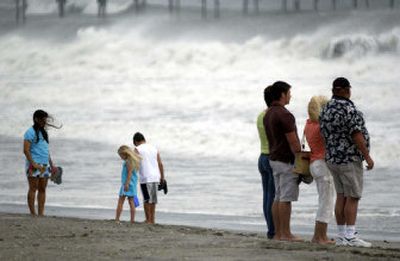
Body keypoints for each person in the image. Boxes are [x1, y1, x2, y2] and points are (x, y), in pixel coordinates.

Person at [320, 77, 374, 248]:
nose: (350, 92)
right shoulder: (348, 108)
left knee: (342, 196)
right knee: (353, 196)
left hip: (332, 158)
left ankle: (342, 235)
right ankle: (350, 236)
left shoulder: (326, 108)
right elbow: (356, 134)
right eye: (349, 89)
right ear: (343, 90)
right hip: (349, 159)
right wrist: (367, 156)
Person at [264, 81, 303, 242]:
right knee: (285, 198)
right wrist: (300, 159)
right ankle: (286, 233)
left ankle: (278, 233)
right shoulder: (284, 114)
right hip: (286, 160)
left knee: (278, 197)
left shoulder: (268, 113)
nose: (290, 96)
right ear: (282, 94)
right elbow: (293, 142)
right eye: (288, 93)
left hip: (273, 158)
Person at [304, 96, 335, 244]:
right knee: (326, 202)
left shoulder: (308, 124)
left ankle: (320, 235)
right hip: (323, 164)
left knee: (323, 200)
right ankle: (319, 236)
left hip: (313, 163)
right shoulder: (321, 126)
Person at [23, 110, 60, 216]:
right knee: (33, 188)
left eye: (45, 119)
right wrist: (33, 164)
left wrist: (51, 164)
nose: (45, 121)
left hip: (45, 165)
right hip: (33, 164)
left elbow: (46, 150)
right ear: (36, 119)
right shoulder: (30, 132)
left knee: (43, 189)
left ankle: (41, 213)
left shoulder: (44, 132)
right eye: (43, 119)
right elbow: (25, 150)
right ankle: (33, 213)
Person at [133, 132, 165, 224]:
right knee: (153, 199)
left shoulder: (137, 149)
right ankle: (152, 219)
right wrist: (162, 178)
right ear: (144, 139)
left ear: (135, 141)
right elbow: (160, 164)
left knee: (147, 199)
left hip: (145, 177)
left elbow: (134, 164)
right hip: (155, 176)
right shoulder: (154, 148)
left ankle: (148, 220)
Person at [257, 85, 275, 239]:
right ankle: (273, 230)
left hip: (262, 157)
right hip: (271, 157)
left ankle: (270, 229)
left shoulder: (261, 115)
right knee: (273, 196)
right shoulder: (272, 116)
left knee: (267, 195)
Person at [115, 145, 141, 224]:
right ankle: (132, 220)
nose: (120, 157)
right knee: (131, 202)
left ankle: (117, 219)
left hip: (127, 184)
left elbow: (129, 173)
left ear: (125, 154)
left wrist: (126, 184)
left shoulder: (128, 162)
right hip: (132, 185)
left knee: (121, 201)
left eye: (121, 155)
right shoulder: (132, 161)